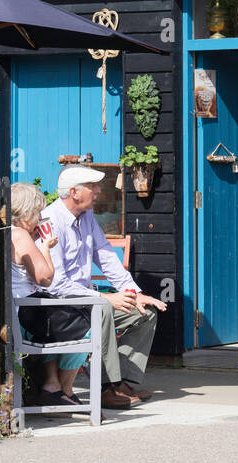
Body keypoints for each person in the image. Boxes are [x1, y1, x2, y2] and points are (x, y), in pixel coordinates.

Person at [42, 165, 167, 409]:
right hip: (59, 304)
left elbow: (107, 257)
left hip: (84, 299)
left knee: (145, 313)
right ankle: (105, 387)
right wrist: (104, 298)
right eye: (93, 187)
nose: (99, 191)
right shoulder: (50, 220)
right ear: (74, 192)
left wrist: (135, 294)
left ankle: (122, 382)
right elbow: (56, 284)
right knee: (104, 310)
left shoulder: (87, 217)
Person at [10, 181, 90, 406]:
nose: (39, 217)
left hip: (21, 311)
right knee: (89, 325)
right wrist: (44, 247)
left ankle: (53, 386)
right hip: (27, 315)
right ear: (26, 212)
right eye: (37, 212)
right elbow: (45, 277)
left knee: (62, 322)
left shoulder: (9, 231)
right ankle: (63, 388)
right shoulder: (20, 235)